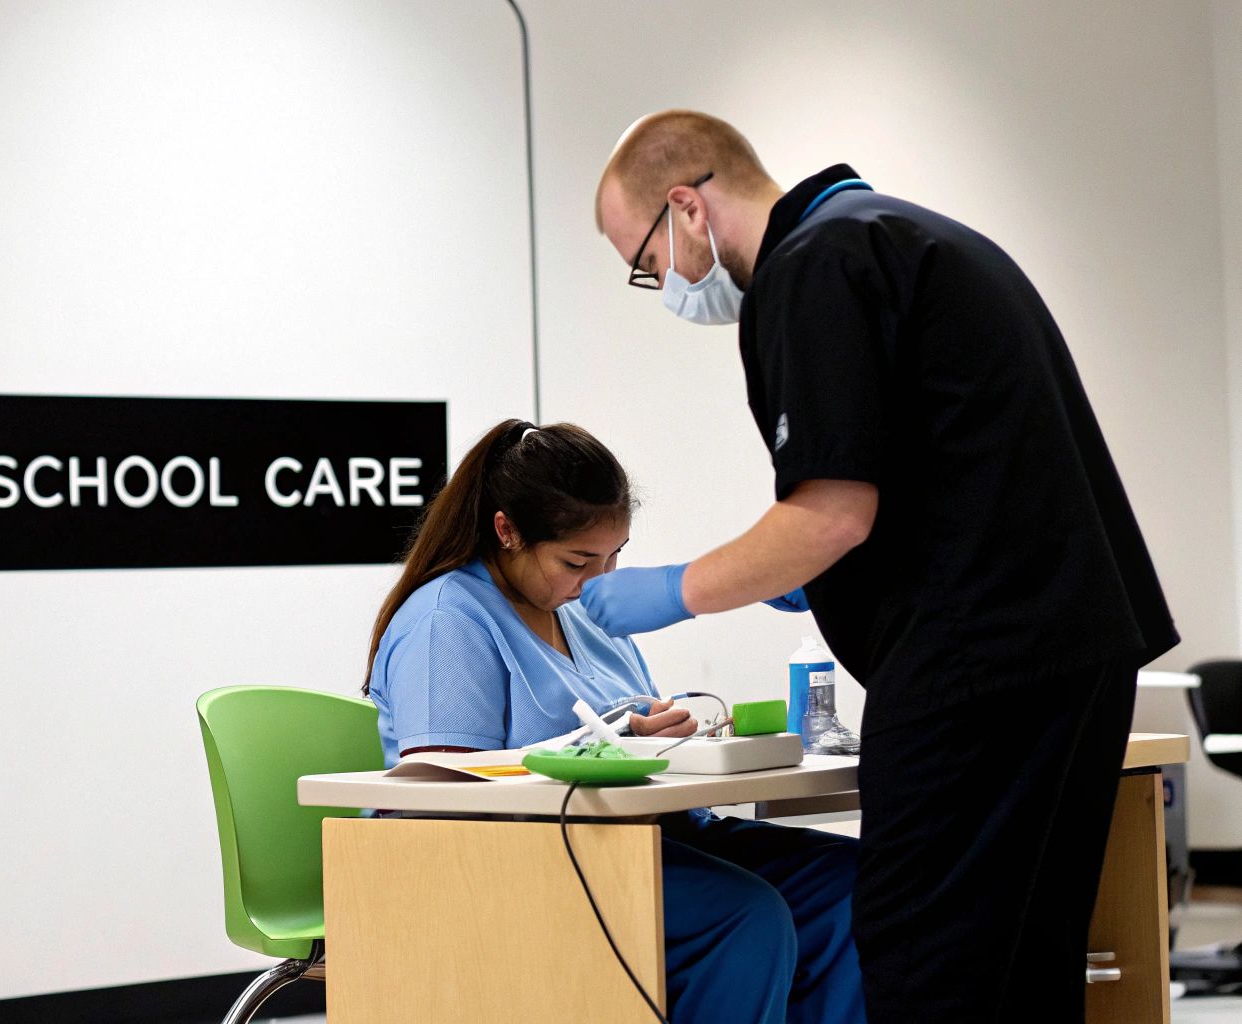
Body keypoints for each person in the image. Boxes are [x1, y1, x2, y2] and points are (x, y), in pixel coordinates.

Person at [587, 109, 1179, 1021]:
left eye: (647, 261)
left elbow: (829, 513)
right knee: (1023, 954)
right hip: (1070, 648)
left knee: (922, 955)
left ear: (687, 208)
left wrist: (676, 591)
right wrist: (824, 578)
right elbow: (933, 470)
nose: (662, 283)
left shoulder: (811, 269)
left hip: (976, 667)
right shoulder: (904, 233)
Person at [365, 418, 865, 1024]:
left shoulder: (583, 616)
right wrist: (614, 744)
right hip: (523, 862)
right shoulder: (449, 620)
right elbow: (444, 797)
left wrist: (665, 733)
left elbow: (629, 736)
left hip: (649, 837)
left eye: (613, 558)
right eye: (577, 560)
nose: (598, 582)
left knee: (849, 887)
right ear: (507, 531)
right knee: (747, 917)